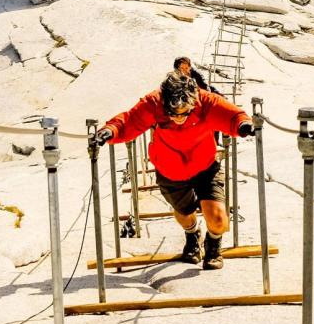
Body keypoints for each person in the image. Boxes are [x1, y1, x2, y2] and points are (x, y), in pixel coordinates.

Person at [95, 70, 253, 269]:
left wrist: (243, 125)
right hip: (170, 168)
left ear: (193, 101)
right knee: (184, 213)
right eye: (173, 114)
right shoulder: (154, 102)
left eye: (185, 113)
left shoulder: (205, 101)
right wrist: (110, 131)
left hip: (204, 164)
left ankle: (213, 244)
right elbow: (129, 121)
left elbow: (232, 115)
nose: (179, 118)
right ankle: (192, 234)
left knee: (219, 219)